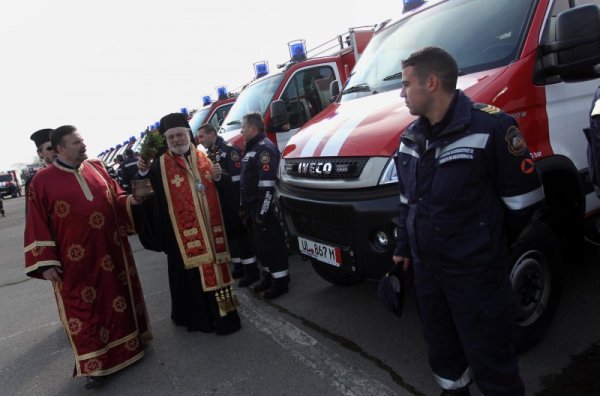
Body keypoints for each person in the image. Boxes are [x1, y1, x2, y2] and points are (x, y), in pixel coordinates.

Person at [393, 47, 544, 396]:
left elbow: (525, 204)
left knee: (492, 364)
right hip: (429, 276)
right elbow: (406, 203)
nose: (401, 93)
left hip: (476, 278)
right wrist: (403, 248)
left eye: (405, 84)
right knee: (444, 358)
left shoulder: (492, 127)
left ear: (431, 83)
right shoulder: (410, 138)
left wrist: (483, 250)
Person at [24, 125, 152, 390]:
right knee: (85, 311)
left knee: (118, 299)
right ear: (60, 149)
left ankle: (129, 347)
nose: (83, 145)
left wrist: (133, 202)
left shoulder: (96, 168)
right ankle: (96, 366)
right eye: (76, 143)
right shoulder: (41, 181)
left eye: (82, 140)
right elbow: (36, 223)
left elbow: (116, 197)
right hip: (74, 261)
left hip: (111, 250)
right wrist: (46, 262)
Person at [136, 113, 241, 335]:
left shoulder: (203, 158)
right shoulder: (159, 166)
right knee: (190, 280)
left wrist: (220, 178)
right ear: (166, 140)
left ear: (188, 135)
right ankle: (200, 319)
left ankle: (225, 315)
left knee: (217, 271)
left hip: (212, 236)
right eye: (171, 137)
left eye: (180, 135)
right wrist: (143, 171)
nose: (176, 140)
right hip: (181, 239)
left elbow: (223, 192)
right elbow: (147, 196)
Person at [196, 123, 258, 284]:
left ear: (212, 134)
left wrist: (240, 205)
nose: (199, 140)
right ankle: (239, 267)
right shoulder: (211, 153)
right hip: (221, 203)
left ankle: (251, 271)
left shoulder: (229, 151)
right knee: (231, 236)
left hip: (234, 203)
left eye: (202, 136)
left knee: (241, 236)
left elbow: (238, 181)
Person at [239, 112, 290, 299]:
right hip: (254, 208)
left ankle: (281, 281)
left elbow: (267, 185)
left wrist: (262, 212)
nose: (241, 131)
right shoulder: (251, 148)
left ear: (252, 129)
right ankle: (269, 275)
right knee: (261, 246)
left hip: (264, 209)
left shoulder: (264, 149)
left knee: (272, 245)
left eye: (243, 127)